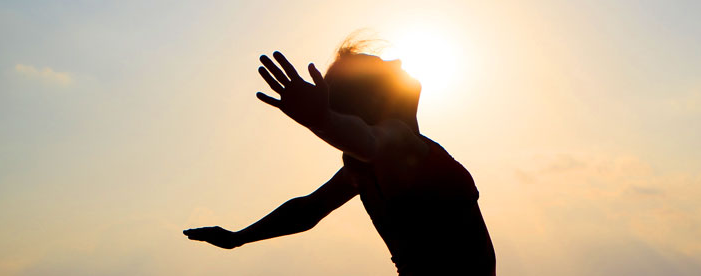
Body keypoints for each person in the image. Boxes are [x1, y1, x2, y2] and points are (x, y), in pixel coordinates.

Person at [183, 39, 496, 275]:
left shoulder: (361, 168)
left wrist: (239, 237)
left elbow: (309, 209)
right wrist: (323, 121)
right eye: (384, 64)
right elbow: (369, 141)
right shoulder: (395, 140)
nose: (398, 61)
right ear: (374, 95)